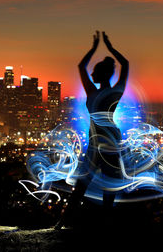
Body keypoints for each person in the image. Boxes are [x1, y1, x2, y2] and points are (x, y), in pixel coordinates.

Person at [55, 30, 129, 229]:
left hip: (103, 142)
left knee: (91, 186)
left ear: (103, 73)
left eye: (95, 71)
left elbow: (83, 66)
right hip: (104, 141)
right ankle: (66, 222)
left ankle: (64, 223)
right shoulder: (114, 91)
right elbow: (125, 65)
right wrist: (107, 47)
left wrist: (98, 47)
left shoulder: (96, 92)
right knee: (103, 188)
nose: (93, 74)